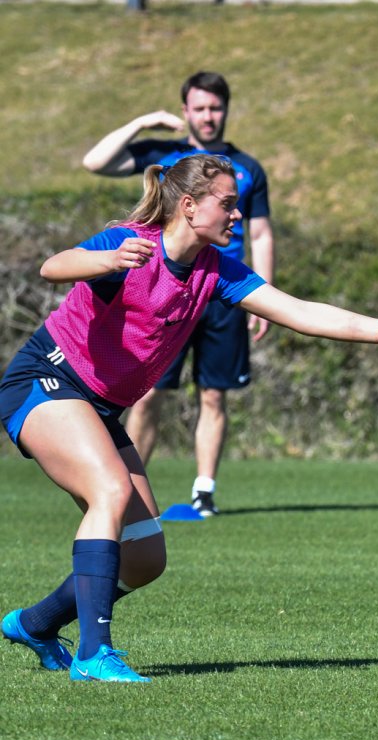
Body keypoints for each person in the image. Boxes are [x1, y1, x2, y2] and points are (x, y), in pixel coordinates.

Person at [1, 155, 378, 683]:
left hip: (97, 406)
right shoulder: (131, 244)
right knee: (111, 492)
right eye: (229, 204)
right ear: (189, 206)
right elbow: (54, 266)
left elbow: (299, 311)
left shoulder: (215, 271)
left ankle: (35, 624)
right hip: (44, 380)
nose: (237, 215)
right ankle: (93, 655)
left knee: (144, 558)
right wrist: (107, 260)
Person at [82, 71, 275, 518]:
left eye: (216, 107)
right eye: (199, 108)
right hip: (167, 292)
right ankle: (127, 486)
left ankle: (203, 493)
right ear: (185, 110)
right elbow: (95, 162)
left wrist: (265, 296)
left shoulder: (246, 168)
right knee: (148, 393)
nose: (208, 116)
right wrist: (142, 123)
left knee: (213, 394)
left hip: (223, 293)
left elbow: (261, 233)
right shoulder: (165, 157)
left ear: (226, 110)